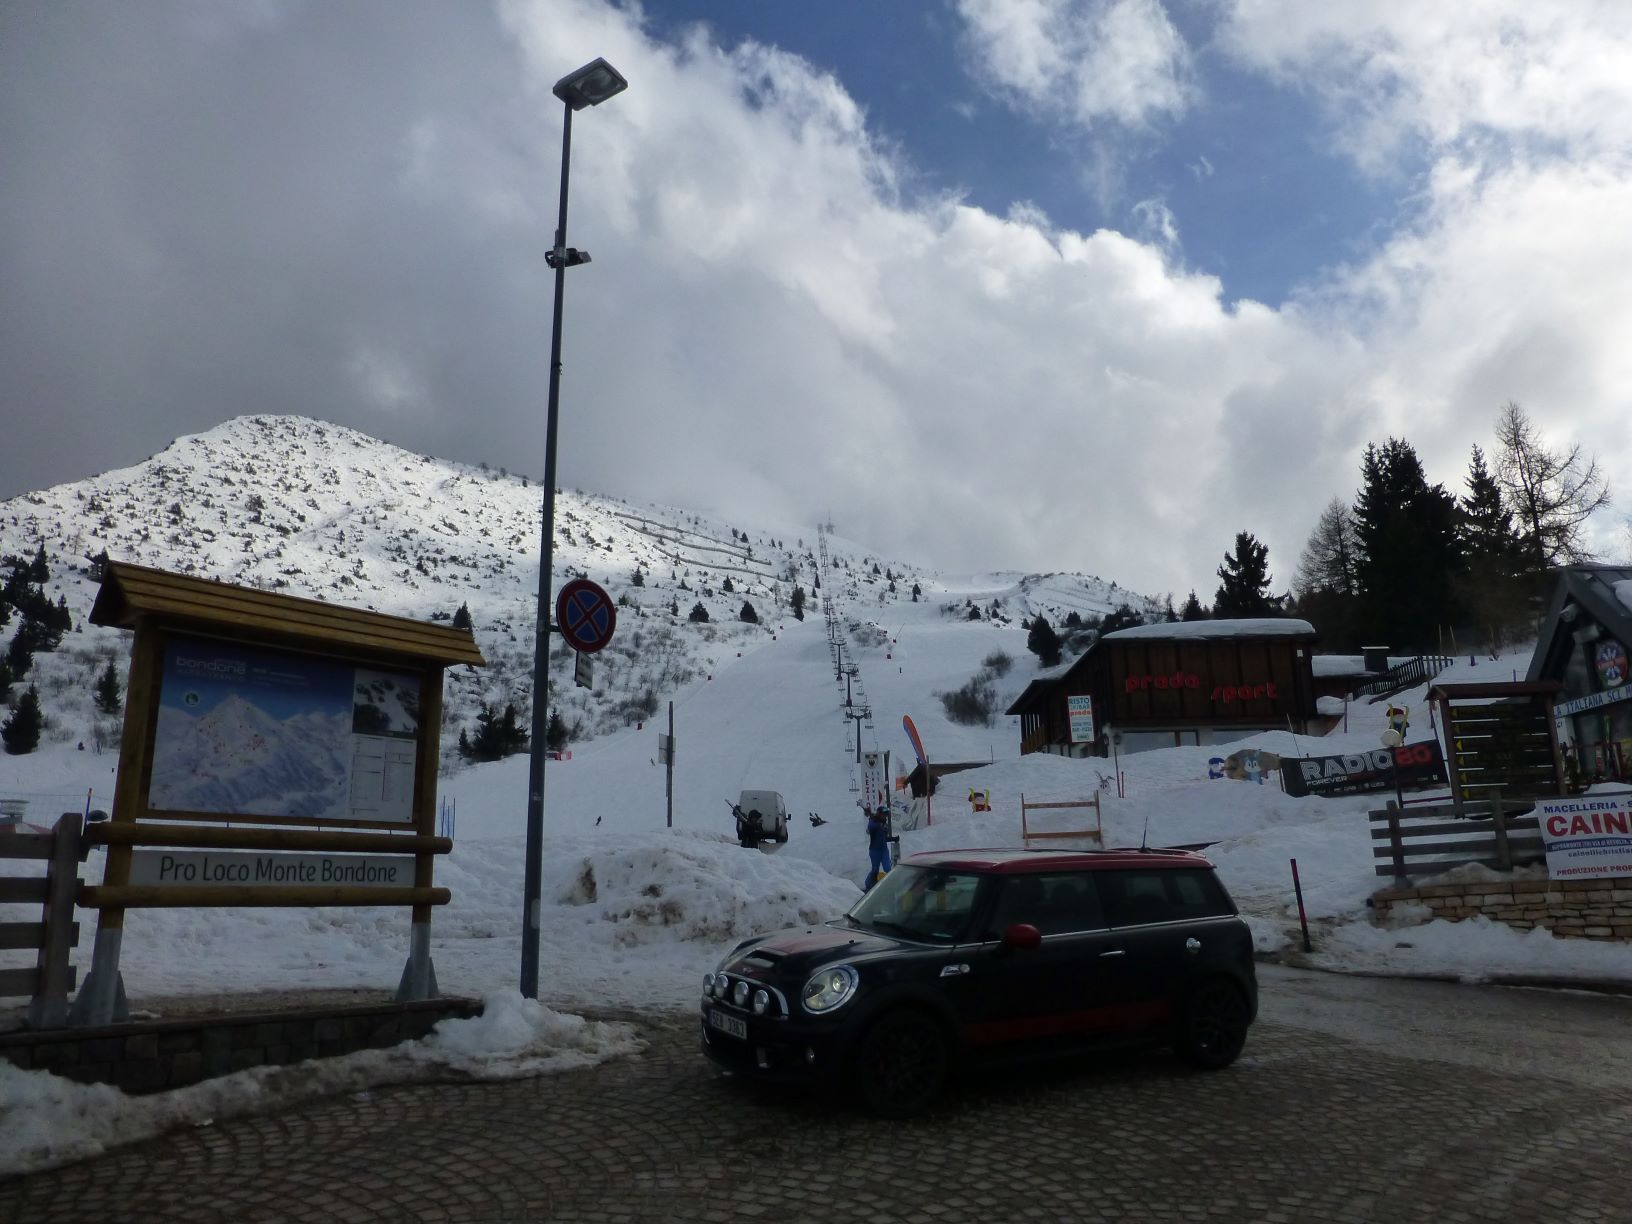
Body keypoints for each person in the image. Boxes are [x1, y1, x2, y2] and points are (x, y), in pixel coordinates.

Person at [863, 807, 892, 890]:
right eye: (883, 815)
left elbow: (883, 837)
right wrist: (875, 822)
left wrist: (892, 838)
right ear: (879, 814)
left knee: (888, 868)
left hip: (884, 849)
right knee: (875, 869)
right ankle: (868, 885)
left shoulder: (884, 823)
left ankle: (890, 886)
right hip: (874, 850)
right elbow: (870, 829)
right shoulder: (873, 821)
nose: (885, 817)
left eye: (886, 815)